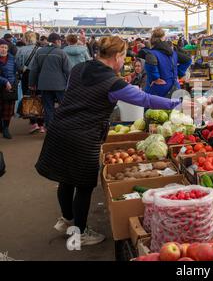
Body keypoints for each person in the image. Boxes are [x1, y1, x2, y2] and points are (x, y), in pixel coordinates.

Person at [34, 36, 182, 246]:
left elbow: (79, 93)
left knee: (65, 179)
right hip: (83, 135)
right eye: (124, 56)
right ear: (116, 56)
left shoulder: (80, 69)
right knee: (84, 185)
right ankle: (81, 233)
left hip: (60, 128)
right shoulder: (113, 83)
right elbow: (146, 99)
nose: (124, 61)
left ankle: (67, 220)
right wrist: (176, 103)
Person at [28, 33, 71, 129]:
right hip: (60, 85)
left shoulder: (39, 52)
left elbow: (34, 70)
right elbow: (68, 71)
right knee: (64, 106)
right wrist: (71, 84)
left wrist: (31, 83)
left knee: (48, 108)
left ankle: (50, 129)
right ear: (57, 41)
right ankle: (65, 127)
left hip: (44, 85)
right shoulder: (61, 53)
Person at [141, 27, 191, 98]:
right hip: (175, 87)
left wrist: (155, 78)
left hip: (158, 90)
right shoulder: (173, 53)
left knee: (155, 108)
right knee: (174, 108)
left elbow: (151, 65)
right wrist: (178, 73)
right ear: (164, 39)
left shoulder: (152, 54)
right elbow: (188, 60)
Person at [15, 31, 44, 134]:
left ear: (25, 39)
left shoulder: (21, 50)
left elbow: (17, 64)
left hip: (26, 75)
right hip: (39, 76)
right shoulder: (40, 50)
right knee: (40, 98)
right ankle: (41, 124)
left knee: (28, 98)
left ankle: (33, 122)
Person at [0, 39, 18, 139]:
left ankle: (6, 128)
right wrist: (5, 81)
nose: (3, 49)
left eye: (5, 47)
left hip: (9, 88)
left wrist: (13, 81)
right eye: (1, 47)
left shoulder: (12, 58)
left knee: (8, 110)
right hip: (2, 85)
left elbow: (15, 71)